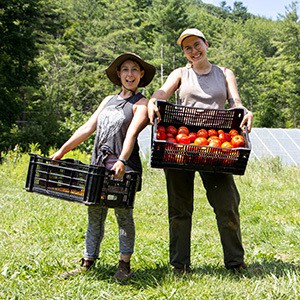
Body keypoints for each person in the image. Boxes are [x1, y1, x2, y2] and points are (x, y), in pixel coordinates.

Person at [148, 28, 253, 274]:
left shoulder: (224, 73)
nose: (194, 51)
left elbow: (235, 102)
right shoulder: (180, 73)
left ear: (206, 44)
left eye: (197, 45)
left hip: (216, 146)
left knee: (227, 205)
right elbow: (163, 92)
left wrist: (244, 110)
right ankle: (179, 265)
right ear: (184, 52)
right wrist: (154, 100)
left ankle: (235, 262)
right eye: (188, 48)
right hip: (181, 146)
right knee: (179, 208)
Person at [51, 52, 156, 281]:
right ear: (118, 74)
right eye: (125, 69)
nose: (130, 74)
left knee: (123, 216)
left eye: (134, 70)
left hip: (122, 170)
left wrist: (122, 160)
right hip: (98, 167)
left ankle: (124, 264)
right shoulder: (108, 101)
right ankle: (87, 262)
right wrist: (62, 151)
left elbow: (131, 134)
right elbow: (88, 128)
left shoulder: (141, 104)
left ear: (141, 75)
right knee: (94, 214)